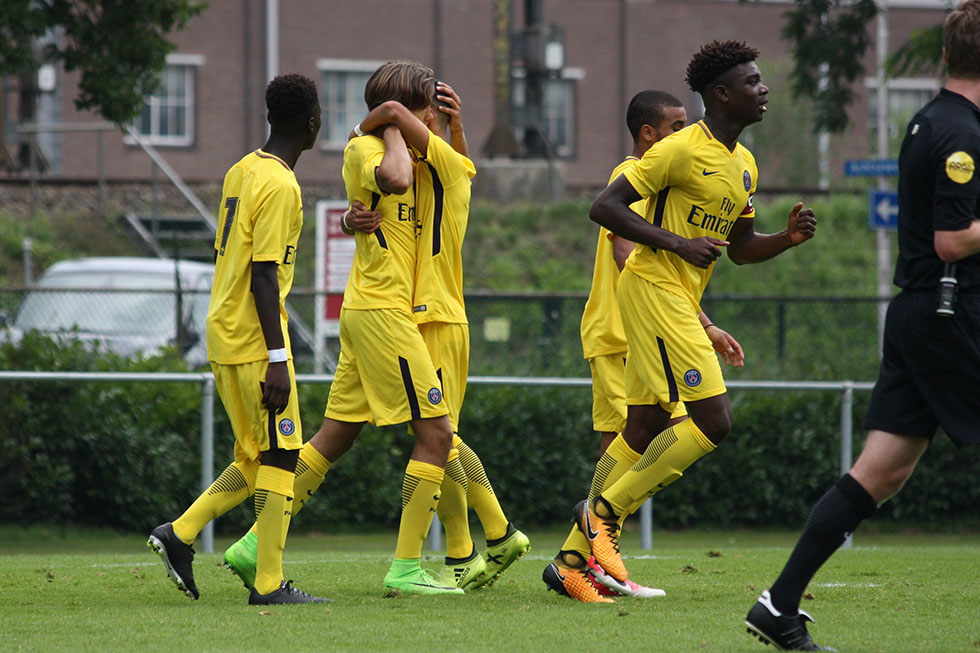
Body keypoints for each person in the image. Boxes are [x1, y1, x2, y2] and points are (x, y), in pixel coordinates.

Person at [223, 80, 530, 593]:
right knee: (439, 435)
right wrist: (379, 150)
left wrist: (442, 129)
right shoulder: (388, 153)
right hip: (402, 313)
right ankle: (473, 546)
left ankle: (252, 542)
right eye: (424, 111)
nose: (426, 120)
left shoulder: (437, 164)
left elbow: (439, 167)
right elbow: (392, 179)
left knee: (343, 437)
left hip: (423, 313)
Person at [746, 3, 980, 649]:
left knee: (880, 472)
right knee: (880, 470)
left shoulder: (932, 118)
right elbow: (954, 239)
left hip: (917, 312)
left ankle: (778, 603)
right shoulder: (961, 133)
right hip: (947, 310)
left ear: (944, 57)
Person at [549, 40, 817, 604]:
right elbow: (605, 207)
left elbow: (740, 248)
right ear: (721, 94)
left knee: (642, 426)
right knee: (714, 420)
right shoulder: (679, 150)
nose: (763, 89)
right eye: (752, 82)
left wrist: (785, 241)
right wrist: (677, 243)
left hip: (673, 295)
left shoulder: (743, 165)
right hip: (653, 289)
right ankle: (603, 513)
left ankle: (572, 562)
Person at [545, 89, 745, 603]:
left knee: (639, 435)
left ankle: (575, 562)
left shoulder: (685, 172)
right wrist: (682, 318)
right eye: (675, 126)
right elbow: (626, 247)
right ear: (648, 134)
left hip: (648, 327)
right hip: (623, 331)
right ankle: (595, 548)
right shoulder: (636, 173)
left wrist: (702, 322)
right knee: (636, 438)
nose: (686, 133)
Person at [147, 73, 327, 605]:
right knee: (281, 455)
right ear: (311, 123)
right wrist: (277, 356)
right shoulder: (281, 184)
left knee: (257, 455)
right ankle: (269, 585)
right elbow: (264, 274)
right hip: (255, 341)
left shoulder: (242, 169)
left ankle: (179, 533)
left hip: (223, 331)